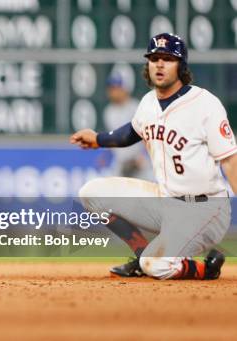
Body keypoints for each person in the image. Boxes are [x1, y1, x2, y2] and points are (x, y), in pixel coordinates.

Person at [70, 33, 237, 280]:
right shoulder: (148, 103)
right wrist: (98, 139)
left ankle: (205, 269)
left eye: (168, 58)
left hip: (205, 208)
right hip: (165, 201)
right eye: (154, 58)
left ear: (181, 66)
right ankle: (141, 255)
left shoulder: (205, 104)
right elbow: (131, 133)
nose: (159, 64)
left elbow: (230, 161)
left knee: (156, 265)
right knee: (91, 193)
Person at [103, 74, 152, 179]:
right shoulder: (109, 112)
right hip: (121, 163)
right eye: (111, 89)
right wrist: (106, 155)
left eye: (116, 88)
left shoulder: (136, 107)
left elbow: (149, 134)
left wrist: (144, 155)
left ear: (124, 89)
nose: (113, 92)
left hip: (139, 161)